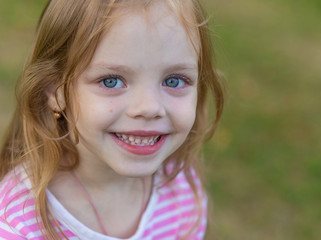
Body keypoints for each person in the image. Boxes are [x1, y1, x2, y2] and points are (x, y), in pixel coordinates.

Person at [0, 0, 224, 239]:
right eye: (111, 81)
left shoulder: (180, 188)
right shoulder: (19, 225)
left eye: (174, 81)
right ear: (55, 91)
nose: (149, 108)